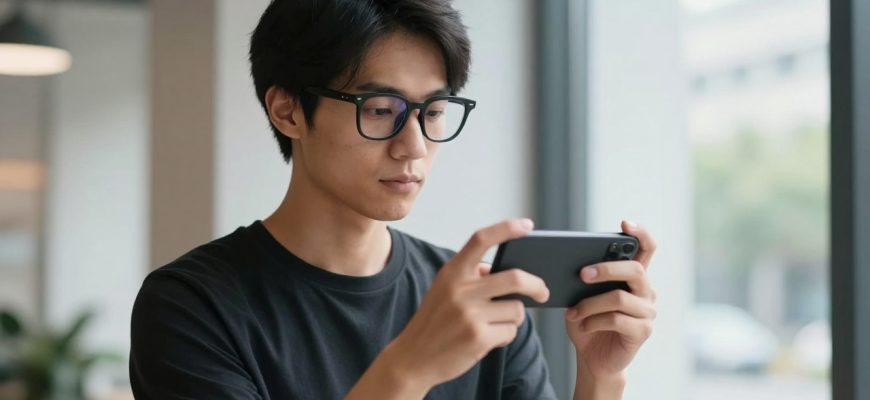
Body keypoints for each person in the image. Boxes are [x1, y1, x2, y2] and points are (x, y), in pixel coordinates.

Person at [129, 0, 658, 399]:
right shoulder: (190, 306)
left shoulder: (474, 299)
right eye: (380, 109)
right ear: (288, 111)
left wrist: (599, 377)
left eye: (432, 111)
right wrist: (410, 368)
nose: (415, 146)